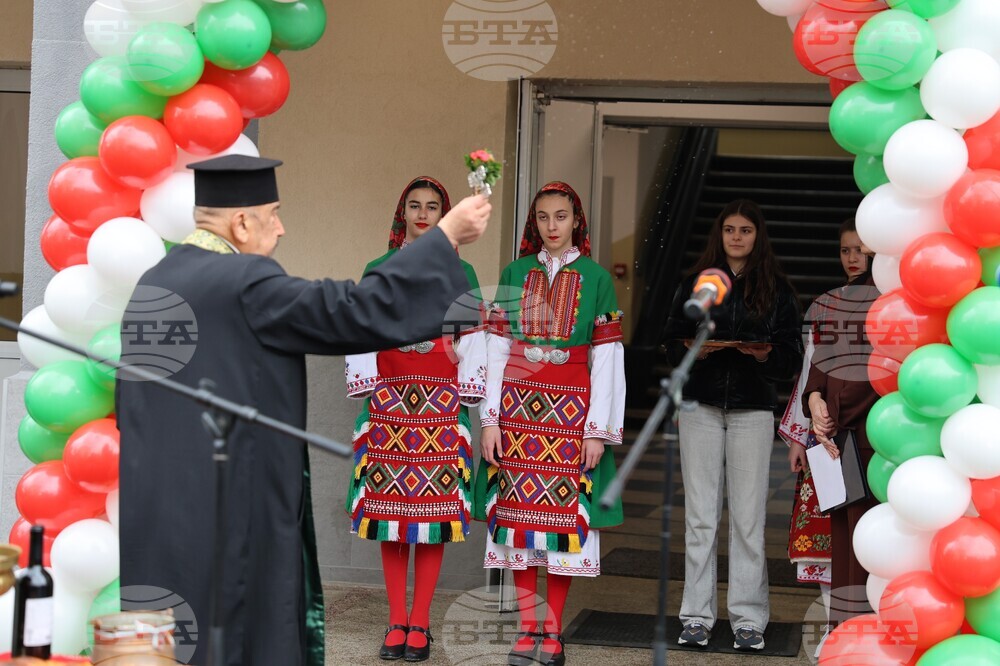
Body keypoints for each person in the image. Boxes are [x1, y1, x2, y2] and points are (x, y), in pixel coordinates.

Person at [116, 155, 491, 666]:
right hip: (232, 508)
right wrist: (443, 236)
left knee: (173, 642)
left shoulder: (154, 283)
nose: (282, 227)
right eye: (273, 214)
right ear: (242, 222)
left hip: (160, 509)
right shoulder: (246, 281)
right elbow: (356, 309)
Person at [474, 181, 625, 666]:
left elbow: (605, 358)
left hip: (571, 415)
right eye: (543, 217)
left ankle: (554, 632)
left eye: (561, 216)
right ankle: (525, 629)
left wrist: (596, 430)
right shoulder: (515, 272)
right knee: (519, 524)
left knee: (561, 524)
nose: (552, 226)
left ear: (575, 221)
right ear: (533, 222)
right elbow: (496, 352)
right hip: (517, 415)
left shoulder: (597, 277)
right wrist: (490, 420)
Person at [343, 177, 487, 662]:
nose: (423, 214)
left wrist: (467, 395)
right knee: (390, 520)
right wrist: (369, 387)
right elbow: (361, 329)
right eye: (414, 206)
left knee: (431, 518)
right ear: (401, 212)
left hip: (442, 406)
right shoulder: (379, 267)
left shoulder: (460, 270)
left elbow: (472, 339)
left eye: (432, 206)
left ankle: (420, 623)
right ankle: (396, 620)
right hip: (389, 406)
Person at [663, 199, 802, 652]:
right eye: (729, 229)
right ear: (718, 235)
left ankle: (748, 619)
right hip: (700, 406)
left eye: (745, 230)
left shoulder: (777, 289)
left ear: (758, 236)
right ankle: (696, 617)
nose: (737, 237)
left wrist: (765, 355)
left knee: (747, 519)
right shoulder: (695, 281)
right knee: (701, 518)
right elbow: (669, 341)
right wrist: (692, 350)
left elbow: (790, 359)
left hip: (753, 409)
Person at [798, 218, 880, 625]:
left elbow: (877, 369)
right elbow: (820, 366)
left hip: (870, 436)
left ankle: (862, 634)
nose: (853, 258)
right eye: (846, 250)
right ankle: (844, 633)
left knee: (867, 542)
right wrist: (813, 400)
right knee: (844, 541)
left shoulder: (887, 298)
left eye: (861, 250)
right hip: (836, 434)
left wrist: (832, 416)